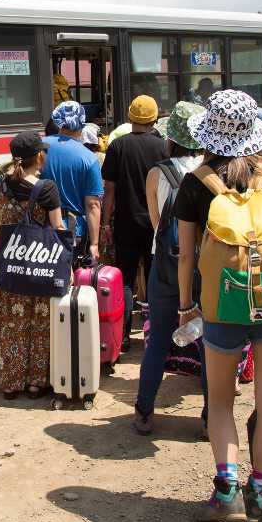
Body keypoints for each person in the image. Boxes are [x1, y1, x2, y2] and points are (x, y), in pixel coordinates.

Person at [173, 89, 262, 522]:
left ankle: (227, 492)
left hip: (221, 305)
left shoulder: (195, 182)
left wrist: (186, 305)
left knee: (221, 402)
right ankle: (259, 493)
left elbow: (185, 255)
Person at [134, 101, 207, 435]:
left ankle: (145, 412)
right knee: (211, 343)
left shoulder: (156, 173)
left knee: (159, 341)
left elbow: (156, 222)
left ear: (172, 138)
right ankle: (211, 417)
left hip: (165, 265)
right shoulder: (211, 171)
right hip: (205, 266)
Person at [0, 131, 64, 400]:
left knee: (12, 324)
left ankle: (10, 382)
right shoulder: (47, 188)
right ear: (39, 156)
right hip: (39, 266)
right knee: (39, 323)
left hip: (10, 266)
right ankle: (34, 383)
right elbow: (58, 228)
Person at [102, 95, 168, 344]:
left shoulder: (118, 146)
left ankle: (123, 335)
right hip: (156, 222)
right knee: (154, 279)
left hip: (126, 223)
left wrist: (106, 223)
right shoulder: (163, 147)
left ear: (130, 117)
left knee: (125, 279)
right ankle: (154, 336)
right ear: (155, 118)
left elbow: (109, 189)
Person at [42, 101, 102, 263]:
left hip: (40, 226)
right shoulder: (89, 158)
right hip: (73, 231)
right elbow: (92, 205)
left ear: (57, 121)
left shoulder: (39, 149)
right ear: (82, 123)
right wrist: (95, 243)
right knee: (70, 279)